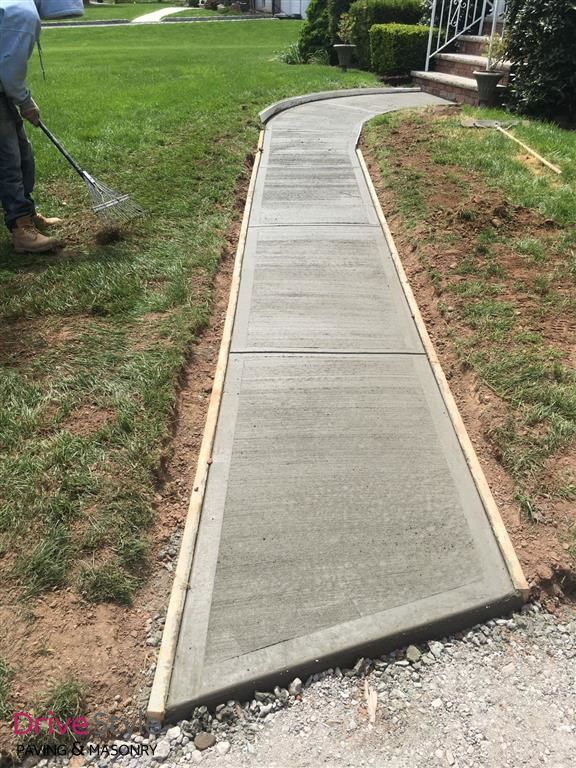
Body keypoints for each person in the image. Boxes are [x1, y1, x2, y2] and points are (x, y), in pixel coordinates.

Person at [0, 0, 84, 253]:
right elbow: (10, 72)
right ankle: (21, 229)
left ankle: (27, 213)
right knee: (8, 162)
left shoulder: (18, 7)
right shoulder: (21, 14)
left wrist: (23, 101)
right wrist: (26, 102)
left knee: (23, 155)